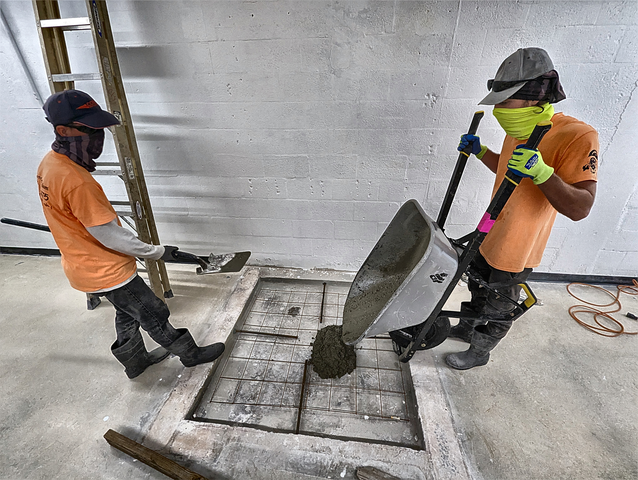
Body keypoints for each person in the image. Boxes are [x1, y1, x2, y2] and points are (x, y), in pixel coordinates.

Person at [37, 89, 225, 379]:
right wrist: (158, 252)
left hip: (83, 265)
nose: (98, 135)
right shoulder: (77, 182)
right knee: (153, 314)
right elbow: (108, 235)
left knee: (127, 314)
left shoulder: (50, 164)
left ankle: (135, 362)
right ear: (63, 130)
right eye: (90, 129)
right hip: (107, 269)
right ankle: (190, 354)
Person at [445, 47, 598, 370]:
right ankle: (467, 326)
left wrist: (544, 172)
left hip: (519, 244)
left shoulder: (577, 136)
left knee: (499, 303)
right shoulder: (521, 130)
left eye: (505, 100)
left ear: (532, 97)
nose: (499, 109)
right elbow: (510, 171)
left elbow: (581, 207)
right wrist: (481, 151)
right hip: (492, 229)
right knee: (476, 284)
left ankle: (480, 351)